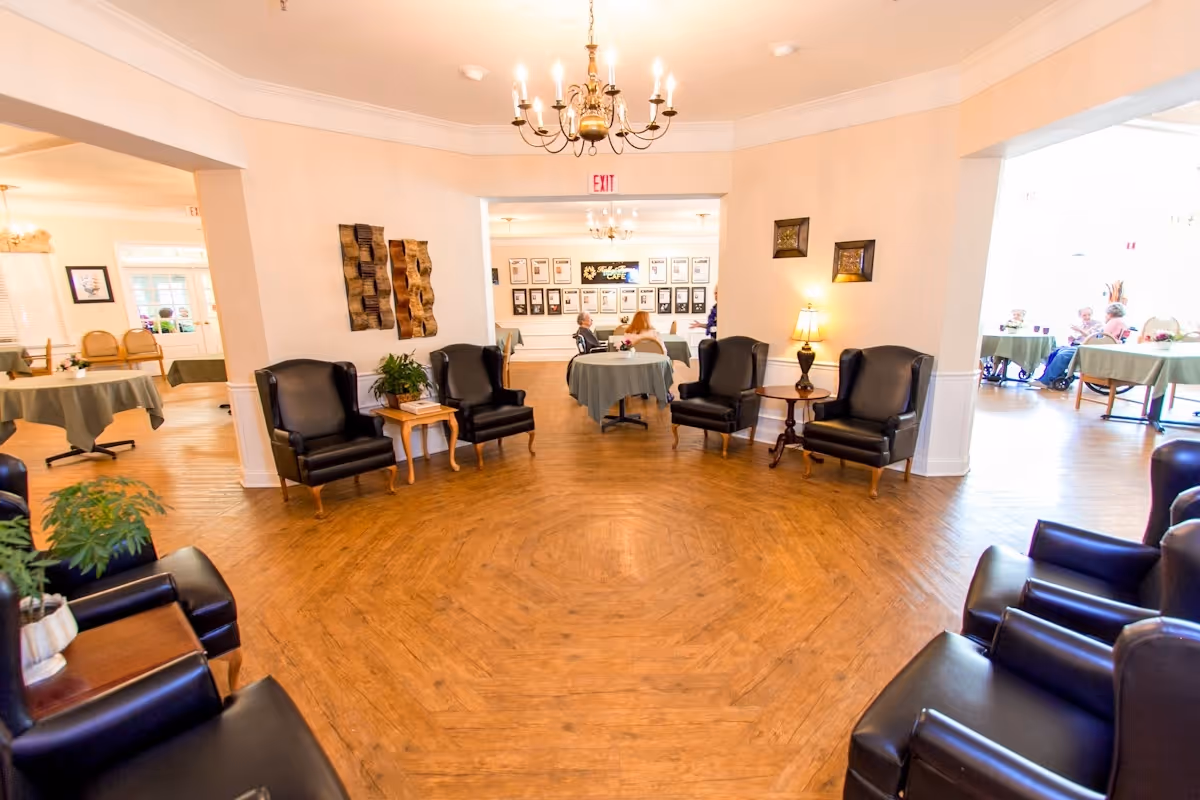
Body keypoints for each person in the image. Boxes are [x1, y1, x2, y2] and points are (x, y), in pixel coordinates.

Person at [1032, 302, 1128, 389]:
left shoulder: (1113, 322)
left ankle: (1046, 381)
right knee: (1059, 351)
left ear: (1110, 313)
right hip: (1094, 347)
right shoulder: (1118, 321)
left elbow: (1104, 339)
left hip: (1095, 350)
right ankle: (1048, 377)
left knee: (1063, 355)